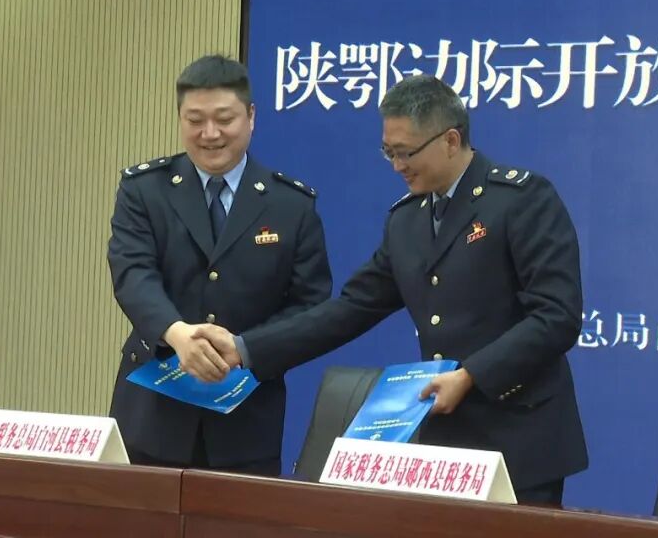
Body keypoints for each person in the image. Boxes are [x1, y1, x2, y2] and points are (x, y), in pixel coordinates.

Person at [194, 73, 587, 503]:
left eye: (406, 152)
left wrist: (472, 375)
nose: (397, 165)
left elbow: (556, 317)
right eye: (388, 152)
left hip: (521, 438)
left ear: (451, 140)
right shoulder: (407, 220)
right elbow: (350, 309)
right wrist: (245, 348)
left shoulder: (521, 199)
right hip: (447, 443)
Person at [106, 55, 332, 476]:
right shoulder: (145, 190)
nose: (210, 134)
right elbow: (133, 274)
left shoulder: (291, 204)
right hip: (151, 414)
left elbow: (310, 304)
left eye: (224, 119)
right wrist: (178, 335)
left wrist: (245, 349)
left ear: (251, 117)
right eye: (195, 120)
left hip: (246, 421)